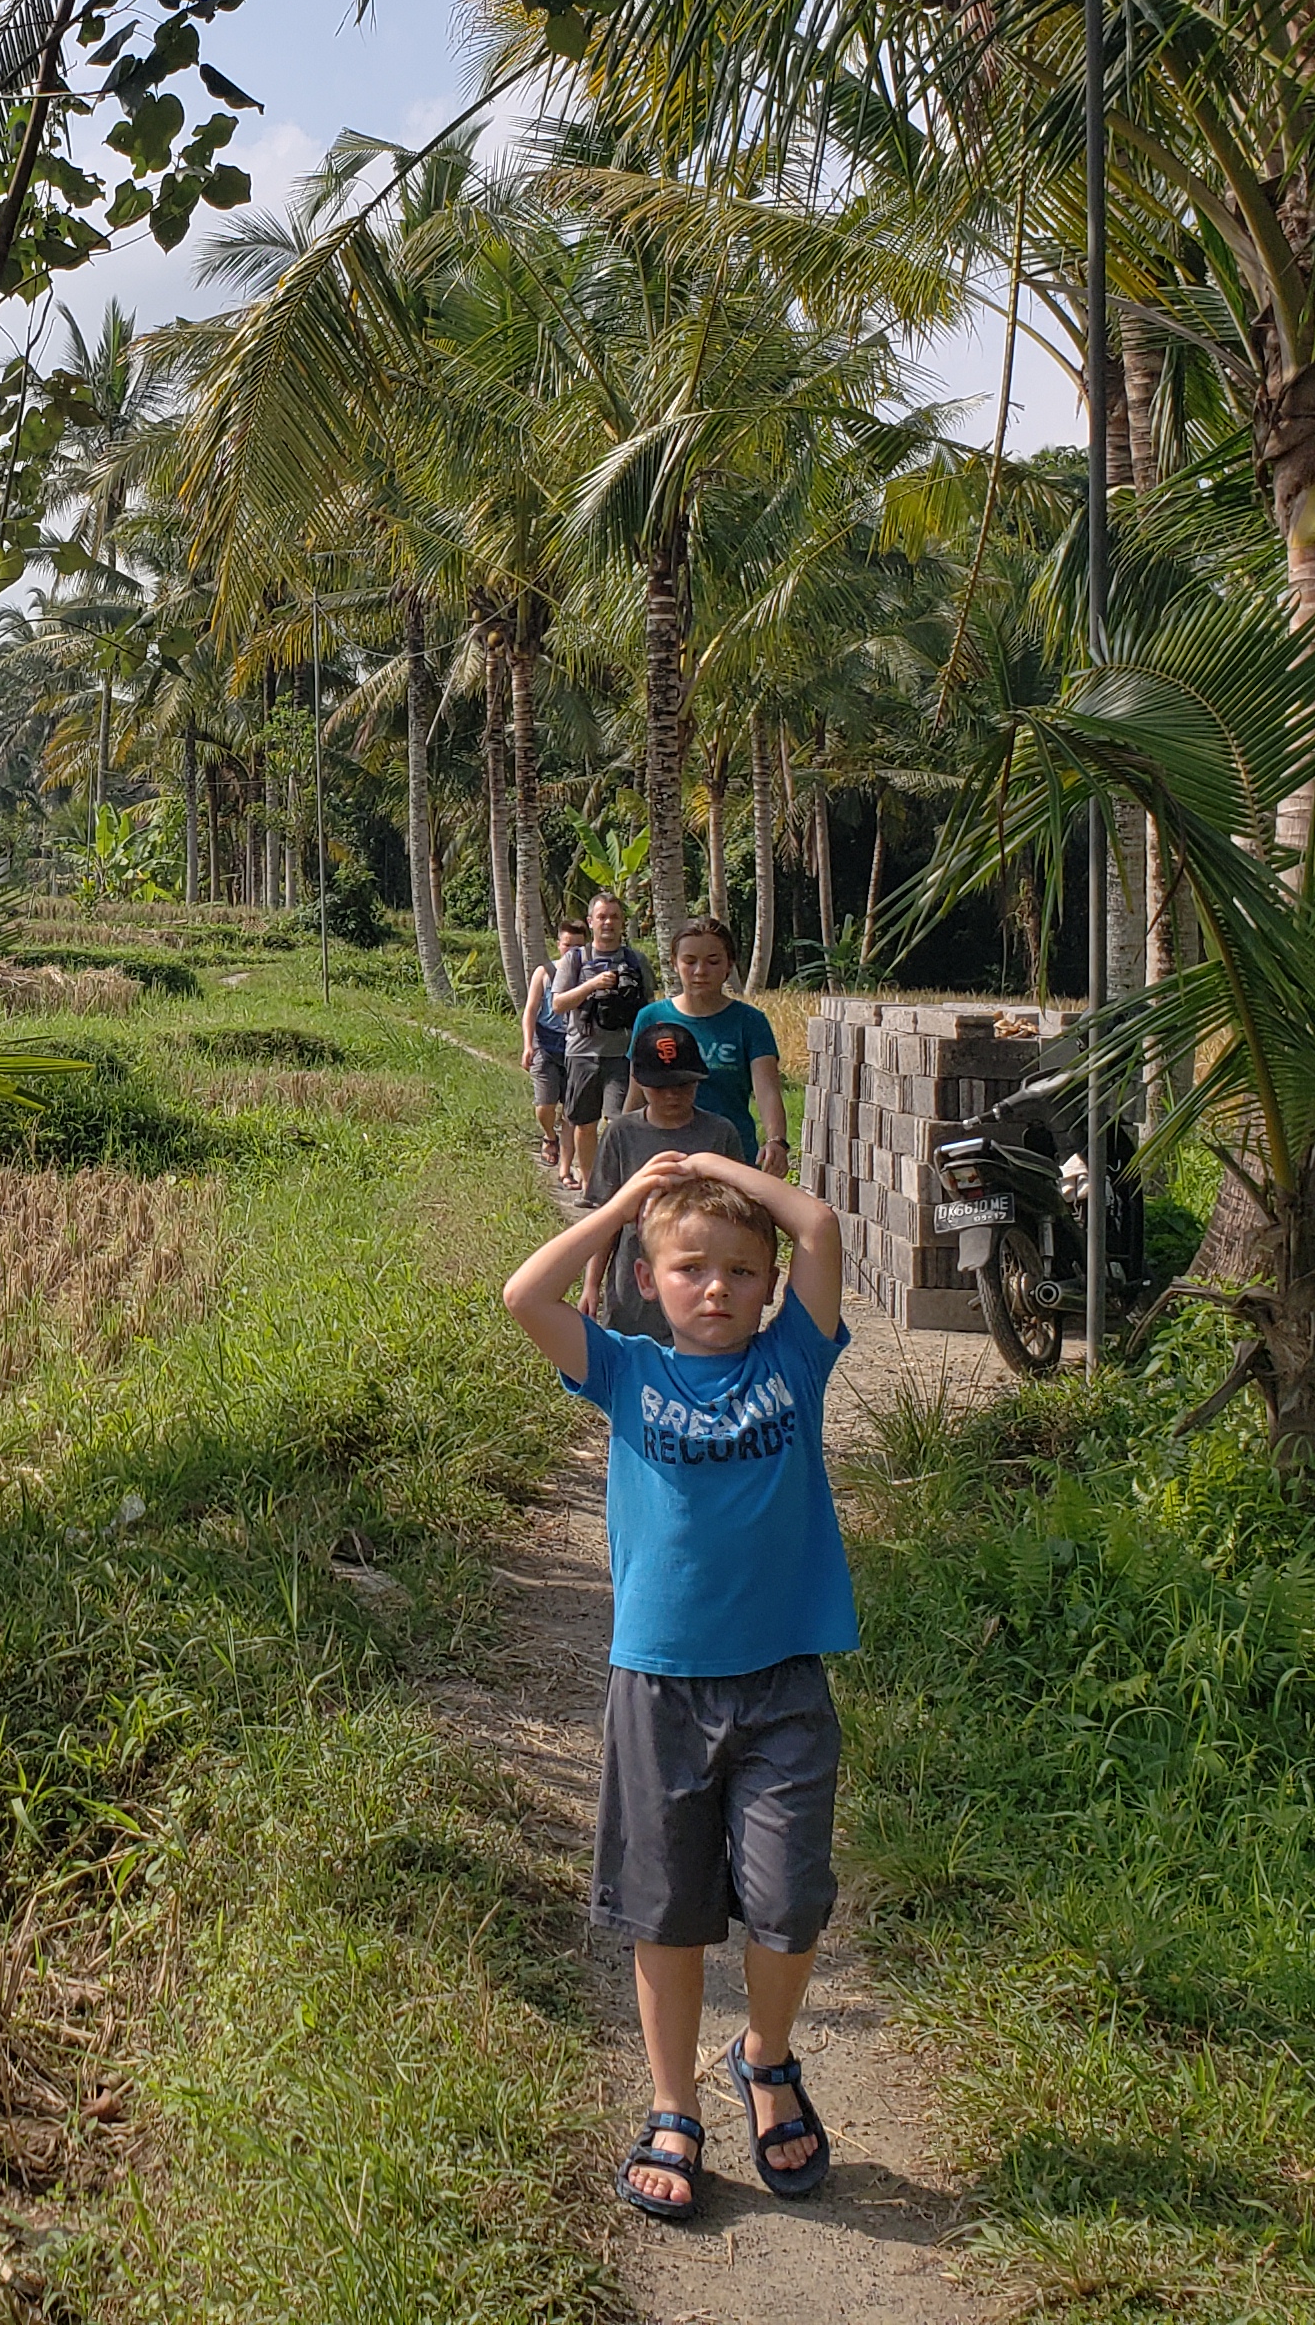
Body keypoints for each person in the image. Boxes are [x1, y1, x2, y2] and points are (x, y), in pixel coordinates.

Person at [499, 1143, 852, 2225]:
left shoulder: (794, 1361)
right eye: (690, 1268)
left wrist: (731, 1179)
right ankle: (669, 2102)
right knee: (666, 1909)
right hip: (658, 1684)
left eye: (741, 1271)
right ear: (648, 1282)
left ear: (770, 1288)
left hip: (783, 1678)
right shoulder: (627, 1371)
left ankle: (767, 2057)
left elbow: (824, 1230)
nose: (717, 1288)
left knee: (787, 1902)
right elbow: (526, 1295)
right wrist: (626, 1204)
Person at [581, 1017, 728, 1336]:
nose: (672, 1096)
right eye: (661, 1088)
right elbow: (606, 1217)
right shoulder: (622, 1133)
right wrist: (591, 1284)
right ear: (641, 1082)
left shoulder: (720, 1135)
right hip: (633, 1291)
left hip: (703, 1285)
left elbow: (737, 1217)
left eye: (683, 1085)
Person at [639, 917, 788, 1178]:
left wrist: (776, 1140)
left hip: (732, 1154)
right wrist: (624, 1137)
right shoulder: (651, 1017)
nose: (700, 971)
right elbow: (638, 1088)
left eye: (713, 961)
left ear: (729, 966)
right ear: (674, 963)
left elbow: (767, 1089)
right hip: (664, 1158)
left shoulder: (749, 1022)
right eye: (690, 961)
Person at [550, 893, 656, 1160]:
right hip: (582, 1053)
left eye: (614, 917)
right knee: (584, 1124)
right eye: (602, 917)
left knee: (619, 1123)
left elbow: (649, 1005)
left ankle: (614, 1184)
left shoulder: (636, 960)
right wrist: (592, 985)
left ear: (622, 922)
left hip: (623, 1055)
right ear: (590, 922)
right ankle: (588, 1187)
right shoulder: (575, 959)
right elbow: (558, 1004)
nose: (608, 922)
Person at [521, 915, 590, 1191]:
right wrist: (528, 1044)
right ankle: (550, 1136)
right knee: (545, 1105)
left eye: (578, 946)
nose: (571, 951)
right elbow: (530, 1010)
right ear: (558, 944)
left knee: (572, 1113)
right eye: (567, 945)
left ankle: (566, 1168)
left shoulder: (588, 974)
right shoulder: (545, 972)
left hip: (577, 1048)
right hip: (546, 1045)